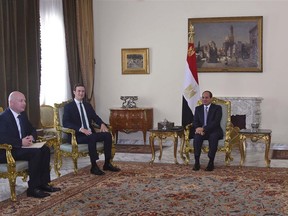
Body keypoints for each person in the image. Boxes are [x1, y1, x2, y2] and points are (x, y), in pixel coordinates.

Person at [0, 91, 61, 198]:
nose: (24, 103)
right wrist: (20, 142)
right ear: (11, 103)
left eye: (24, 101)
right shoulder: (3, 117)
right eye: (21, 101)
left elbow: (32, 129)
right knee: (35, 153)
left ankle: (44, 183)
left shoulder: (22, 115)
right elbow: (2, 138)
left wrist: (32, 137)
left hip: (21, 148)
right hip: (7, 151)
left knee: (45, 149)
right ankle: (33, 188)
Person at [63, 83, 120, 175]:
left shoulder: (87, 105)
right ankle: (94, 166)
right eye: (79, 91)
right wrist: (80, 129)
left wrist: (102, 124)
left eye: (83, 91)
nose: (81, 93)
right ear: (74, 92)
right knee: (92, 137)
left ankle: (107, 163)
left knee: (107, 135)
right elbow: (66, 123)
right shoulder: (69, 107)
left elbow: (95, 117)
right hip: (77, 135)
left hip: (90, 133)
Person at [192, 90, 223, 171]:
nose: (204, 99)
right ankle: (197, 162)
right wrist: (198, 129)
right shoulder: (198, 108)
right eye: (203, 97)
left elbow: (216, 122)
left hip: (214, 130)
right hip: (201, 131)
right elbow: (195, 121)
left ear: (211, 98)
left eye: (206, 97)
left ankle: (211, 162)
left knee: (213, 137)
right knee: (197, 137)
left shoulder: (217, 108)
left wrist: (204, 129)